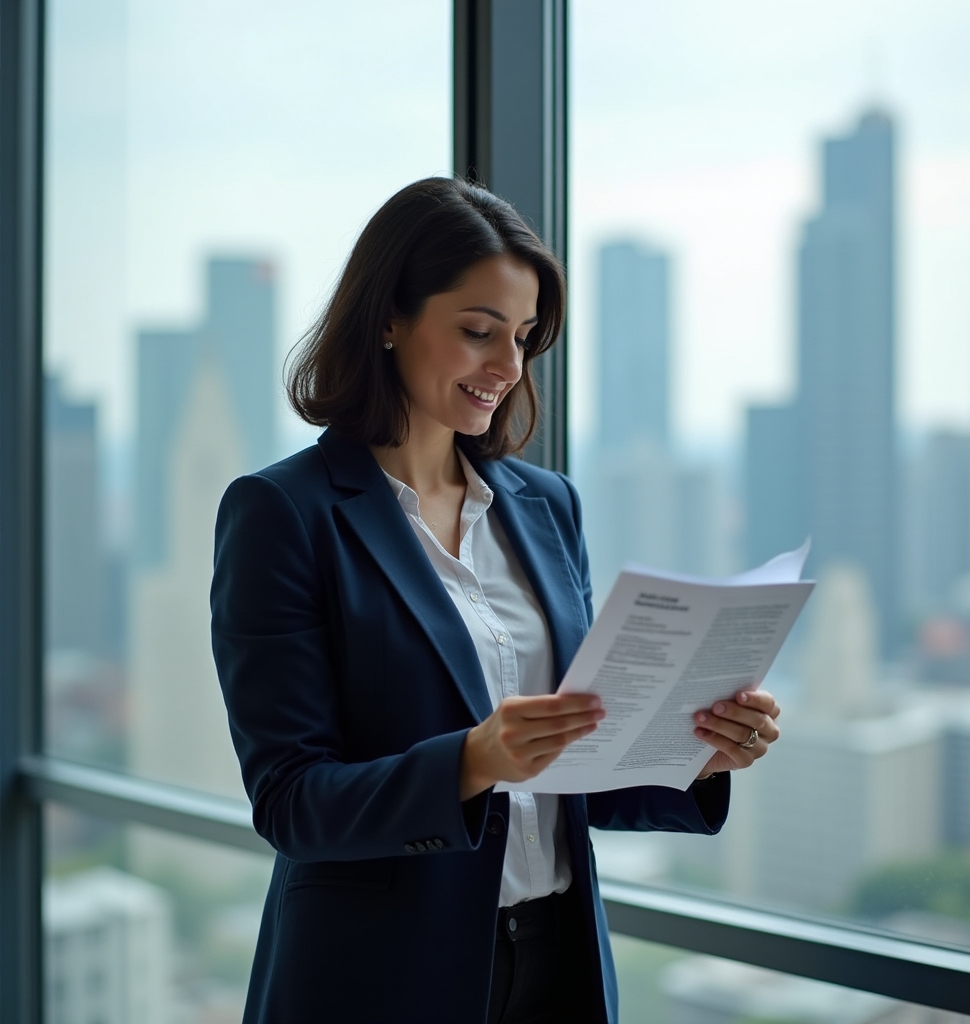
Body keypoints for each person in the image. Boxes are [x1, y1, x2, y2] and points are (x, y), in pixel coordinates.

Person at [210, 177, 781, 1024]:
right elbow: (292, 801)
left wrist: (694, 755)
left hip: (558, 963)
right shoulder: (283, 514)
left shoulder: (547, 505)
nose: (508, 367)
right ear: (390, 319)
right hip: (377, 979)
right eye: (478, 332)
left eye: (522, 338)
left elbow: (574, 770)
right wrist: (473, 760)